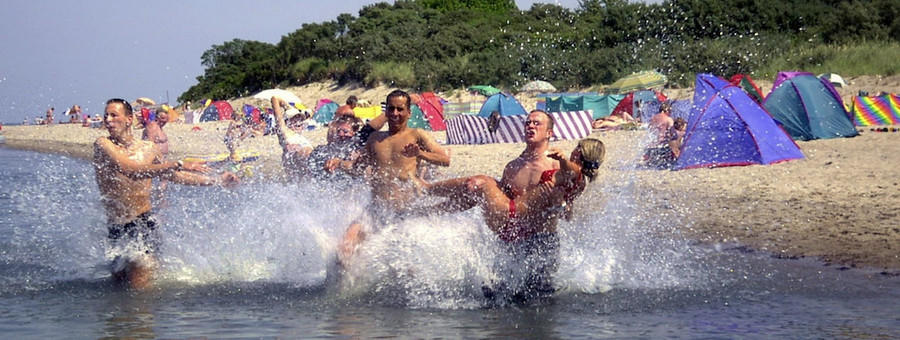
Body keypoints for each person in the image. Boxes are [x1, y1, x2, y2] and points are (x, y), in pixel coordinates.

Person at [94, 98, 239, 289]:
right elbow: (130, 170)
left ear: (129, 119)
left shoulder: (149, 148)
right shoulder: (103, 144)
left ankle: (144, 318)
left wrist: (216, 180)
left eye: (114, 115)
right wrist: (177, 163)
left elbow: (174, 176)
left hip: (143, 223)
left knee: (140, 288)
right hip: (115, 226)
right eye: (106, 115)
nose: (108, 119)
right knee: (119, 288)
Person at [336, 90, 450, 265]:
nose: (395, 114)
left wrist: (420, 153)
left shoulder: (417, 135)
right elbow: (356, 169)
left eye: (400, 109)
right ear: (386, 111)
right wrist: (338, 163)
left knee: (407, 268)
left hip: (404, 213)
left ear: (409, 112)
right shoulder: (375, 139)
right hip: (375, 210)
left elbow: (444, 159)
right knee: (345, 248)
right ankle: (346, 288)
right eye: (391, 109)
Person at [270, 96, 314, 181]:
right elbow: (274, 99)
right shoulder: (285, 132)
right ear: (286, 123)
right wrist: (287, 107)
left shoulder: (300, 136)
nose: (298, 122)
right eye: (294, 119)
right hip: (299, 170)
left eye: (300, 119)